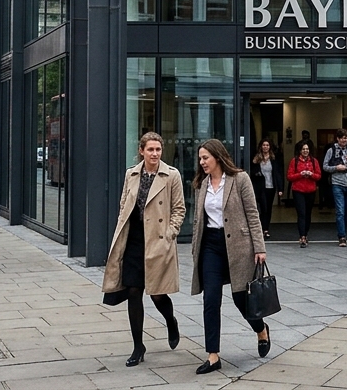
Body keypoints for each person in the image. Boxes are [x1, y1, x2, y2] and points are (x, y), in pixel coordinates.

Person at [103, 132, 185, 367]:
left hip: (158, 240)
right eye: (150, 149)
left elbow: (179, 208)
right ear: (142, 151)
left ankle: (170, 321)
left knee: (158, 293)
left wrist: (170, 233)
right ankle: (138, 346)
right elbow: (123, 204)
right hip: (134, 240)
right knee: (133, 291)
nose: (155, 153)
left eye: (158, 149)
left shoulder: (172, 175)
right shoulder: (132, 174)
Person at [191, 139, 270, 375]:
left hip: (238, 246)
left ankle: (261, 329)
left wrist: (260, 247)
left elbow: (252, 214)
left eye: (205, 157)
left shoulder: (240, 179)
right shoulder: (201, 184)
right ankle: (213, 355)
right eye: (200, 158)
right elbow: (198, 221)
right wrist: (195, 249)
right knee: (211, 300)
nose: (202, 162)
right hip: (211, 247)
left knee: (241, 299)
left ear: (217, 156)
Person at [322, 129, 347, 247]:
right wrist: (336, 168)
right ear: (337, 139)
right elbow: (325, 166)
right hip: (337, 183)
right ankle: (342, 236)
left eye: (346, 137)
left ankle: (342, 228)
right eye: (342, 138)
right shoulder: (331, 150)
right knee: (340, 210)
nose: (344, 140)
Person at [286, 142, 321, 248]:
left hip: (311, 190)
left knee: (308, 213)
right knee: (301, 213)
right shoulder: (294, 161)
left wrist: (311, 174)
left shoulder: (314, 161)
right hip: (298, 190)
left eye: (307, 149)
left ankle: (305, 233)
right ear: (300, 151)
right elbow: (289, 176)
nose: (305, 151)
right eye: (303, 149)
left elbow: (319, 176)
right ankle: (302, 236)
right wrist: (300, 174)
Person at [250, 139, 282, 240]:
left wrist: (280, 188)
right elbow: (252, 171)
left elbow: (277, 173)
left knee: (268, 209)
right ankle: (262, 229)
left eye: (267, 145)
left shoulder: (273, 159)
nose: (265, 147)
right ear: (261, 146)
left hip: (271, 187)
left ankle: (266, 229)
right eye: (264, 145)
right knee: (263, 208)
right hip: (261, 187)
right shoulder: (256, 158)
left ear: (270, 147)